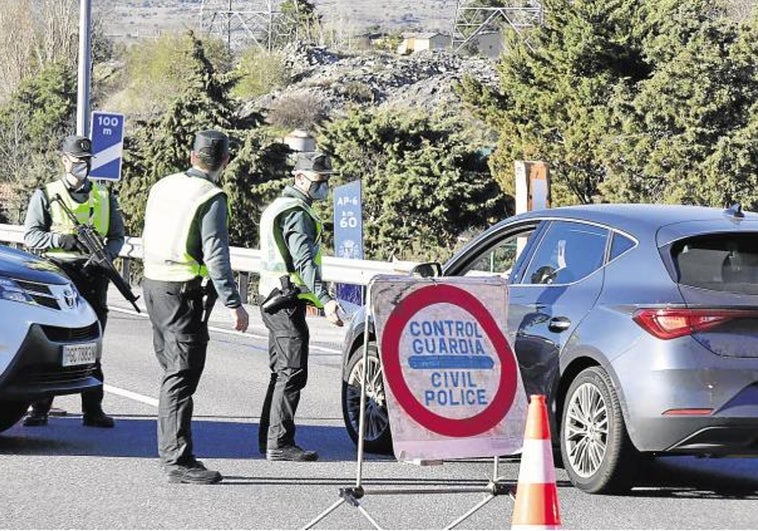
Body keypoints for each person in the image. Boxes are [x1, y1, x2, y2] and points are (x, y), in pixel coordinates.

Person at [141, 129, 249, 485]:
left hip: (153, 284)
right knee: (181, 375)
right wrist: (234, 304)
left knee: (173, 370)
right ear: (226, 162)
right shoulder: (211, 197)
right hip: (182, 291)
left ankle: (175, 452)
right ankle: (177, 460)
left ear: (192, 156)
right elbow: (216, 255)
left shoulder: (163, 186)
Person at [22, 134, 124, 429]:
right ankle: (39, 409)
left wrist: (105, 256)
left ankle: (93, 410)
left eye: (87, 162)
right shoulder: (47, 194)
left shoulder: (104, 196)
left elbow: (117, 236)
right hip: (58, 276)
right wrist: (60, 239)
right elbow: (31, 236)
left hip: (93, 276)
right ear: (64, 160)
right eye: (78, 161)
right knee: (56, 344)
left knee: (92, 343)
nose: (83, 166)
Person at [258, 151, 344, 462]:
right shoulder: (296, 212)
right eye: (320, 181)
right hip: (285, 299)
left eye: (327, 181)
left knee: (280, 371)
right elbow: (305, 262)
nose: (324, 187)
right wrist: (327, 300)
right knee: (292, 372)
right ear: (299, 178)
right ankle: (279, 443)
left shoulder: (279, 206)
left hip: (270, 297)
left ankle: (268, 439)